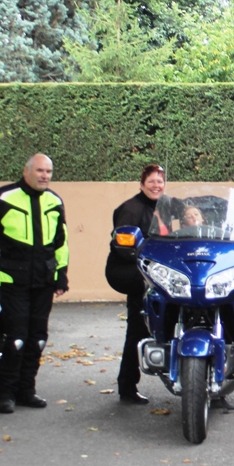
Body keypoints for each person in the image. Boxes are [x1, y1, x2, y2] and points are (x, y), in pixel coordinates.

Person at [0, 153, 68, 414]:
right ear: (26, 171)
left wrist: (61, 275)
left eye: (48, 172)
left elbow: (61, 243)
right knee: (15, 338)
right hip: (12, 279)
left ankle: (26, 391)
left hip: (44, 280)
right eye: (40, 170)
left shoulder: (54, 201)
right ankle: (5, 394)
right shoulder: (4, 196)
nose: (45, 176)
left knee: (37, 339)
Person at [104, 164, 166, 406]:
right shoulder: (131, 209)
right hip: (134, 272)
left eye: (160, 181)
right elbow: (122, 245)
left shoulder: (164, 207)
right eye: (151, 181)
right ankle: (127, 386)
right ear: (141, 184)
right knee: (139, 327)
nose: (156, 186)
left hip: (159, 273)